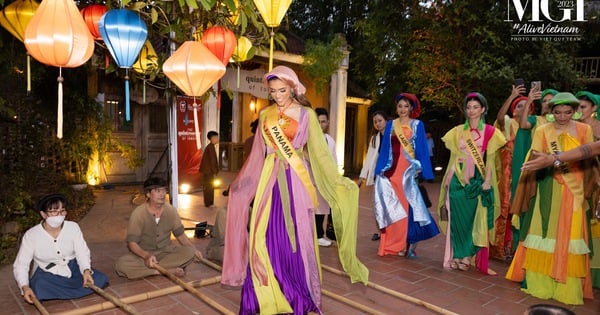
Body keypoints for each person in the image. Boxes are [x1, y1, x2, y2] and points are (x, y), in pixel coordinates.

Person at [222, 65, 368, 314]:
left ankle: (295, 293)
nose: (277, 95)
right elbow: (257, 155)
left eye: (282, 90)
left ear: (292, 88)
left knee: (296, 239)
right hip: (270, 180)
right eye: (272, 91)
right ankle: (265, 294)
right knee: (263, 236)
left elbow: (321, 156)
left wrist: (339, 181)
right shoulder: (265, 115)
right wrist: (242, 185)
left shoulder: (306, 115)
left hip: (296, 181)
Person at [506, 92, 594, 305]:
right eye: (558, 112)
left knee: (570, 235)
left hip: (573, 190)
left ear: (574, 111)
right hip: (547, 187)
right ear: (551, 112)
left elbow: (589, 158)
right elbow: (536, 156)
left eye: (567, 111)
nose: (563, 116)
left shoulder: (585, 129)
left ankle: (566, 289)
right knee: (543, 232)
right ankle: (540, 284)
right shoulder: (543, 130)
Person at [437, 92, 506, 274]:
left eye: (475, 107)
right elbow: (454, 158)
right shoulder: (458, 131)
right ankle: (457, 255)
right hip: (457, 178)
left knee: (471, 219)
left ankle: (467, 255)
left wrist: (488, 181)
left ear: (483, 109)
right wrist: (448, 178)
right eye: (468, 107)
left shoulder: (491, 132)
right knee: (456, 219)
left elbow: (490, 160)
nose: (471, 110)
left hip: (477, 178)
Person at [373, 93, 439, 258]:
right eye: (400, 106)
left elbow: (422, 149)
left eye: (406, 106)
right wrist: (379, 169)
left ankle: (402, 244)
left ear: (411, 108)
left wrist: (421, 169)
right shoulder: (390, 125)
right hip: (391, 171)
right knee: (390, 208)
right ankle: (389, 244)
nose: (402, 109)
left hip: (407, 173)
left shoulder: (417, 125)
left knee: (404, 209)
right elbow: (385, 149)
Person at [13, 194, 108, 302]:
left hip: (73, 267)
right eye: (54, 211)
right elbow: (21, 264)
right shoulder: (31, 235)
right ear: (43, 214)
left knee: (100, 278)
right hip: (47, 271)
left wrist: (86, 270)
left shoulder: (73, 227)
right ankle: (71, 290)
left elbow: (82, 251)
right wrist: (25, 287)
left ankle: (64, 291)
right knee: (39, 285)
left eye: (62, 211)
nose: (59, 215)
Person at [115, 177, 203, 279]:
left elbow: (180, 235)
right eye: (157, 191)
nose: (162, 194)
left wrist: (194, 250)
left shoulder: (171, 211)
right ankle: (160, 271)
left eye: (163, 190)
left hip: (166, 252)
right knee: (121, 265)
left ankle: (157, 269)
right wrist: (146, 256)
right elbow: (132, 244)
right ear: (148, 194)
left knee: (189, 252)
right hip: (143, 254)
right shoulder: (138, 214)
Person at [491, 83, 533, 261]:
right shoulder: (508, 123)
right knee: (504, 210)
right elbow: (500, 118)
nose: (522, 109)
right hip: (506, 174)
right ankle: (499, 249)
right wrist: (512, 96)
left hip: (524, 173)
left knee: (519, 210)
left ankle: (515, 248)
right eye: (519, 106)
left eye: (527, 106)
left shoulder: (531, 126)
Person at [358, 110, 388, 241]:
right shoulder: (375, 139)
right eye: (375, 122)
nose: (378, 124)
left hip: (391, 177)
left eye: (380, 120)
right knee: (378, 205)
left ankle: (391, 233)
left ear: (386, 120)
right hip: (378, 177)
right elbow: (369, 158)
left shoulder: (393, 136)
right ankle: (382, 232)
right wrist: (362, 177)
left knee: (389, 206)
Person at [313, 107, 337, 247]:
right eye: (318, 121)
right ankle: (315, 235)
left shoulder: (329, 140)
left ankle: (319, 234)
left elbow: (333, 160)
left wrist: (335, 177)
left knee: (322, 207)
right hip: (310, 178)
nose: (320, 124)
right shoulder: (307, 138)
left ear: (327, 123)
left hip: (324, 179)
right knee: (311, 207)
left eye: (323, 122)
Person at [199, 131, 219, 207]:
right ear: (212, 138)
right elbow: (212, 160)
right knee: (209, 187)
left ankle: (209, 202)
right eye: (216, 138)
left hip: (208, 171)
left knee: (209, 186)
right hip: (208, 171)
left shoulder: (211, 146)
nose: (217, 139)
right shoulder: (210, 147)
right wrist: (215, 170)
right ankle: (208, 203)